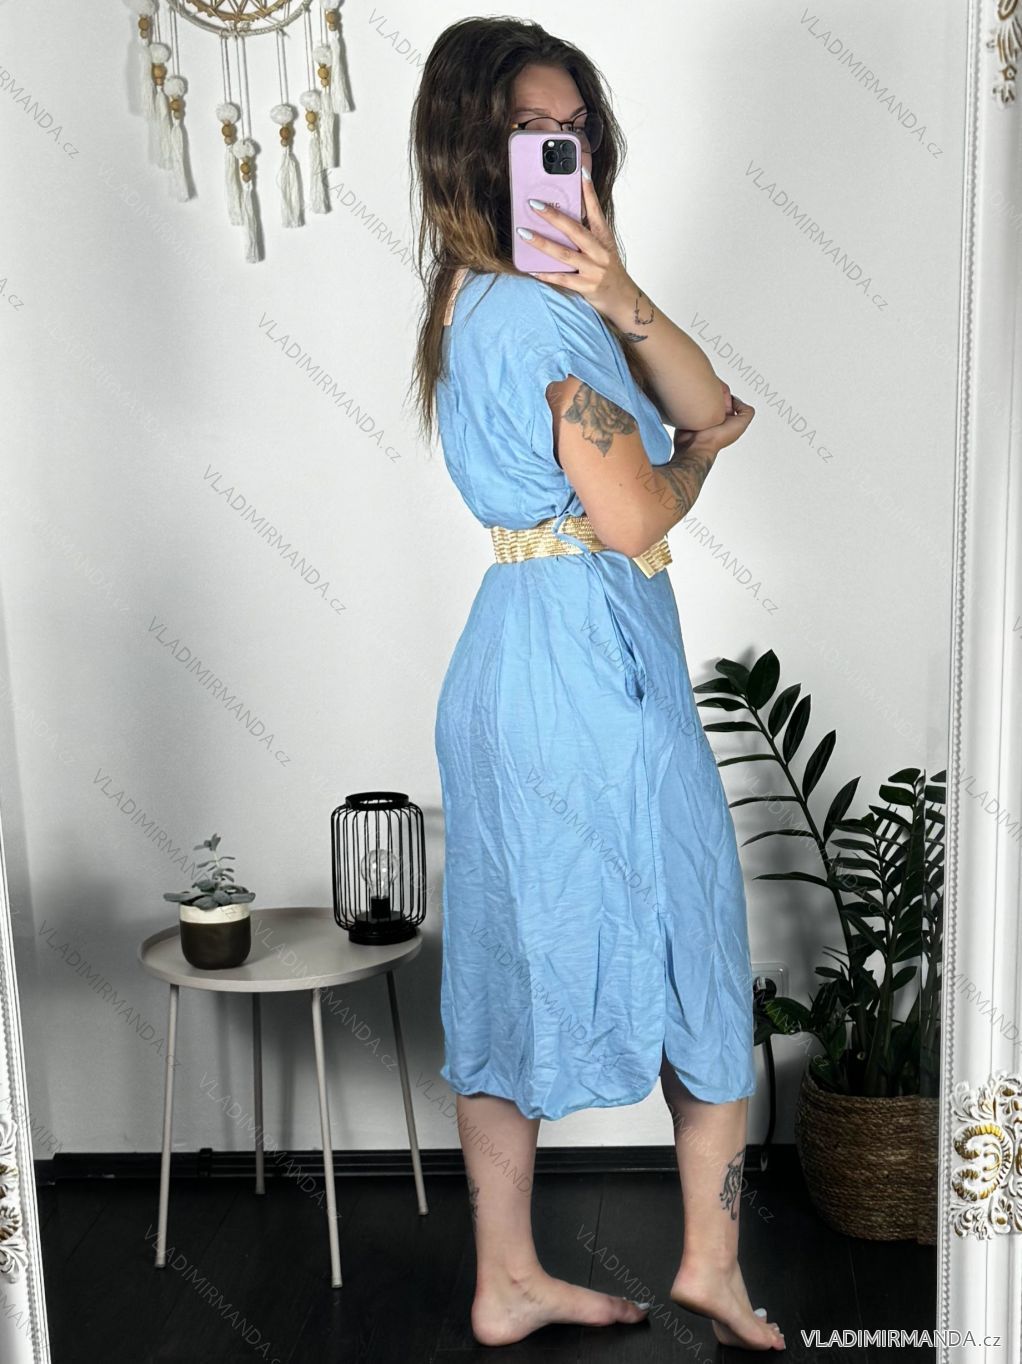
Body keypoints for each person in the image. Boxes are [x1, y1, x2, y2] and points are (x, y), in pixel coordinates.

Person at [408, 16, 782, 1353]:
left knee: (509, 958)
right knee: (697, 936)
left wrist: (623, 292)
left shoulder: (475, 300)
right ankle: (711, 1266)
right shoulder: (538, 323)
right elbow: (637, 511)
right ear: (469, 145)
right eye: (527, 133)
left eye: (569, 133)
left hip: (518, 656)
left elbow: (701, 395)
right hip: (587, 671)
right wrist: (696, 463)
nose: (556, 155)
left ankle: (507, 1275)